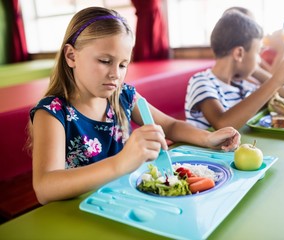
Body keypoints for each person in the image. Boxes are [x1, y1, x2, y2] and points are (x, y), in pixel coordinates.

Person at [29, 7, 240, 205]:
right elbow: (45, 188)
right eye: (104, 61)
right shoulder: (52, 113)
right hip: (80, 211)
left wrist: (208, 138)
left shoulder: (123, 95)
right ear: (71, 56)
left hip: (127, 202)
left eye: (123, 64)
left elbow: (170, 126)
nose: (116, 74)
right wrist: (121, 162)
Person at [184, 11, 284, 130]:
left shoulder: (243, 85)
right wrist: (275, 81)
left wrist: (255, 70)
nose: (259, 60)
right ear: (239, 53)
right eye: (257, 52)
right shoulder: (201, 82)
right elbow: (222, 124)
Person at [223, 7, 284, 104]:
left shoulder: (254, 61)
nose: (257, 31)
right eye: (251, 27)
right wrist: (282, 52)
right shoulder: (247, 65)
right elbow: (275, 86)